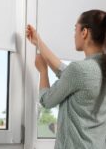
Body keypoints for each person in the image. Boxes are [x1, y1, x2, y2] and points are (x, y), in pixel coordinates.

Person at [26, 9, 106, 149]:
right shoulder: (97, 69)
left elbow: (47, 100)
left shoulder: (79, 70)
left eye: (75, 28)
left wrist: (43, 71)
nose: (74, 34)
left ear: (84, 32)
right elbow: (67, 73)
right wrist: (38, 42)